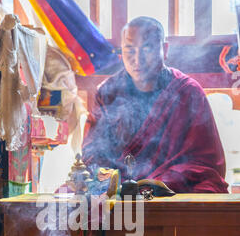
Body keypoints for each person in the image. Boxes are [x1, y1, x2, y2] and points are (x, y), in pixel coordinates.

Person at [82, 16, 229, 193]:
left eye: (147, 48)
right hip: (117, 189)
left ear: (164, 49)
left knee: (207, 188)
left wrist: (157, 182)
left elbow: (205, 164)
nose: (138, 58)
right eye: (130, 49)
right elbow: (91, 155)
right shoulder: (108, 92)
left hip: (169, 189)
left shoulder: (187, 92)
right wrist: (111, 180)